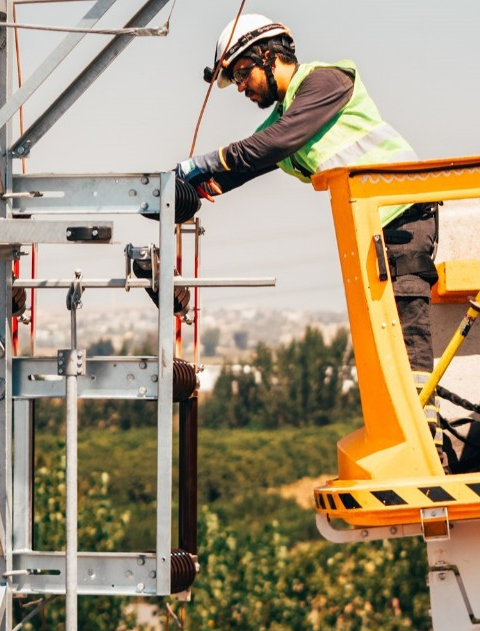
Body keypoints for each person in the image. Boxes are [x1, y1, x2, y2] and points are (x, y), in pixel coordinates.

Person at [176, 14, 449, 456]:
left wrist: (204, 162)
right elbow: (253, 160)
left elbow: (272, 144)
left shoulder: (326, 82)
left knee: (406, 330)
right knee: (385, 336)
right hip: (375, 224)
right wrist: (191, 188)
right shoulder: (289, 113)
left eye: (243, 74)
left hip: (404, 213)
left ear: (268, 55)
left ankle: (425, 447)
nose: (242, 88)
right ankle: (411, 437)